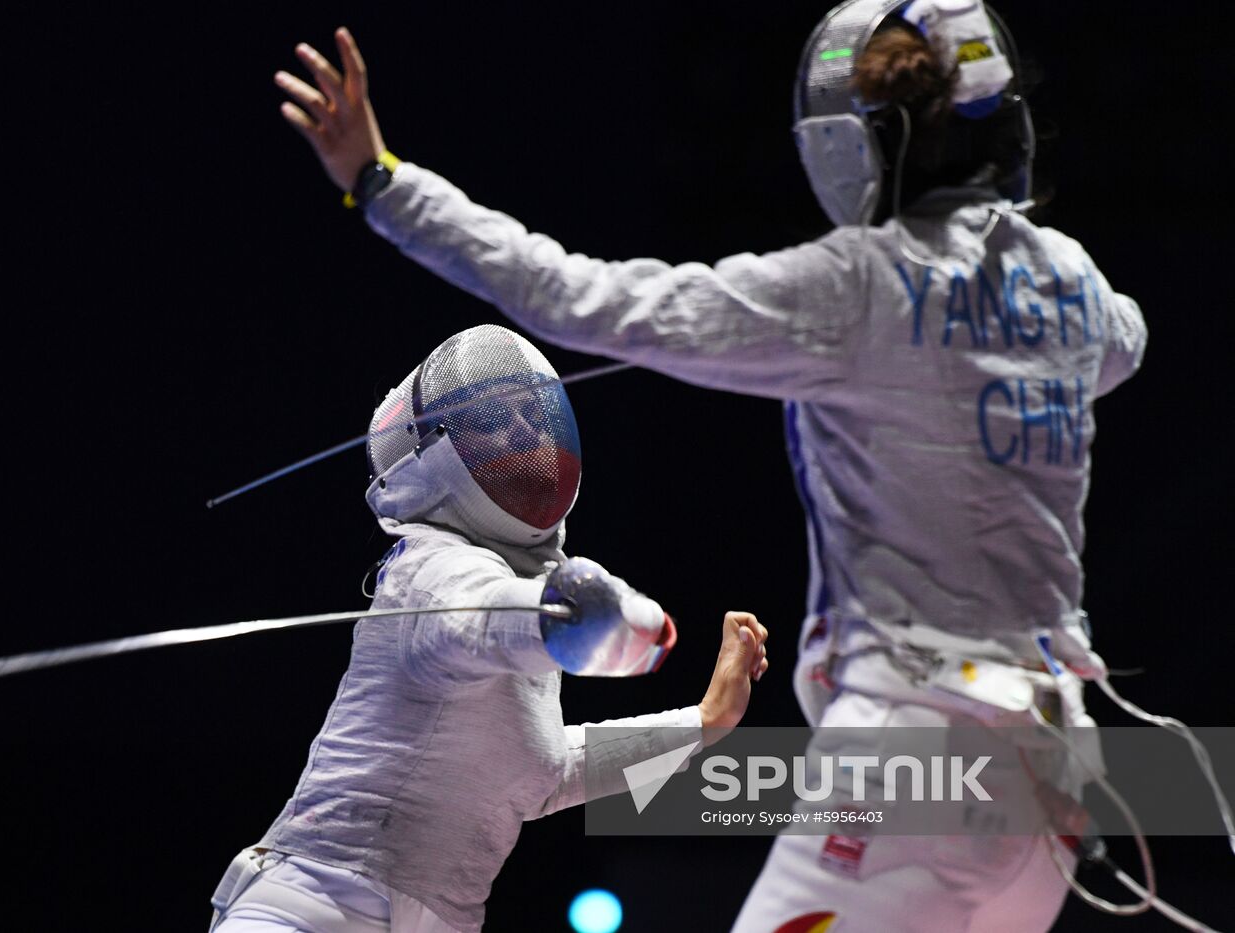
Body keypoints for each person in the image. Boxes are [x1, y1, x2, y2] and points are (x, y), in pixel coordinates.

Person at [272, 1, 1147, 930]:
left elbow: (576, 295)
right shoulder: (1073, 288)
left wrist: (379, 180)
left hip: (919, 749)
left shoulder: (855, 286)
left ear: (856, 146)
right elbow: (1125, 342)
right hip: (1053, 775)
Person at [207, 323, 769, 932]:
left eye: (531, 418)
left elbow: (544, 774)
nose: (527, 435)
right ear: (440, 453)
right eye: (498, 423)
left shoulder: (521, 604)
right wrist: (588, 617)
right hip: (316, 908)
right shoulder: (430, 570)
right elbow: (482, 618)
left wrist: (706, 722)